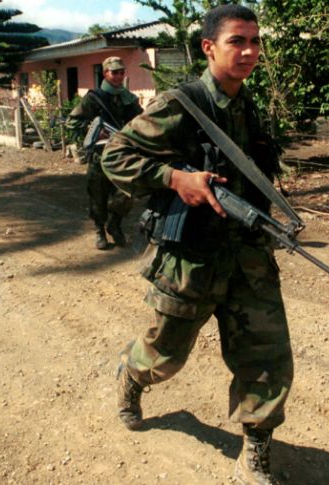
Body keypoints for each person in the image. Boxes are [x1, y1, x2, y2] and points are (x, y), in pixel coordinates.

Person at [101, 5, 291, 485]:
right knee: (164, 357)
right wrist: (174, 178)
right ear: (209, 47)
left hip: (249, 258)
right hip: (191, 259)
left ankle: (255, 450)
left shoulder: (248, 105)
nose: (249, 51)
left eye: (255, 40)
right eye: (237, 41)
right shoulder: (182, 105)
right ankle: (132, 375)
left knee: (267, 359)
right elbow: (115, 157)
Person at [66, 56, 143, 250]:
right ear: (105, 73)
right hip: (99, 155)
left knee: (127, 192)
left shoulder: (129, 99)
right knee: (98, 196)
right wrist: (93, 130)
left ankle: (114, 224)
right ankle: (99, 230)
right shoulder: (94, 98)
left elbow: (141, 122)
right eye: (114, 72)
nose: (118, 76)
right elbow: (72, 122)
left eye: (121, 72)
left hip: (123, 154)